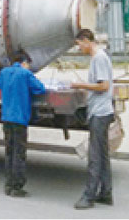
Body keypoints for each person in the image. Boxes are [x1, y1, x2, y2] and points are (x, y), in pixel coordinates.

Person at [71, 28, 115, 209]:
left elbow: (103, 86)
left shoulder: (99, 58)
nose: (79, 48)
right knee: (102, 155)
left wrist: (81, 85)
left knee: (95, 155)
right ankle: (105, 193)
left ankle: (88, 196)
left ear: (86, 40)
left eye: (79, 44)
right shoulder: (98, 57)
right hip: (101, 111)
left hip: (100, 112)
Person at [0, 52, 46, 197]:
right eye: (29, 64)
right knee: (19, 153)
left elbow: (0, 87)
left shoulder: (4, 72)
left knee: (9, 151)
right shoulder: (25, 74)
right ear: (24, 62)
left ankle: (8, 185)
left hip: (6, 117)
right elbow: (40, 89)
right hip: (19, 119)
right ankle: (17, 187)